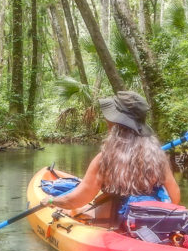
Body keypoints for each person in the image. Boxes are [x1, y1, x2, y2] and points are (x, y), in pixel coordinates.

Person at [48, 91, 180, 216]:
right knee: (88, 208)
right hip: (152, 221)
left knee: (83, 209)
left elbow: (77, 199)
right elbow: (174, 197)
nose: (106, 120)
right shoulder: (158, 157)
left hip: (117, 224)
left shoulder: (105, 159)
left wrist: (52, 201)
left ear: (116, 124)